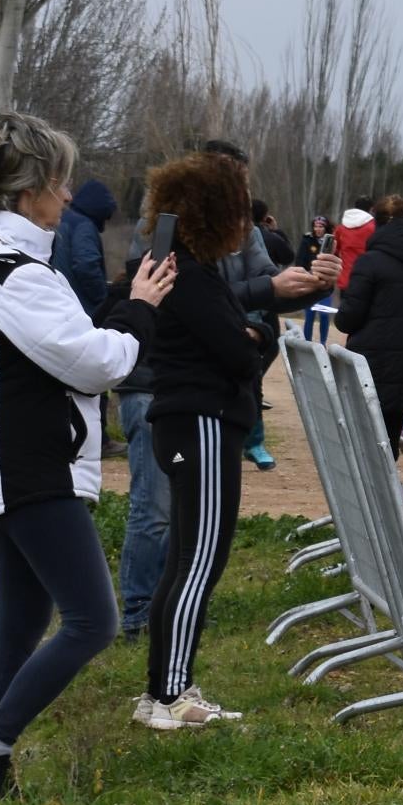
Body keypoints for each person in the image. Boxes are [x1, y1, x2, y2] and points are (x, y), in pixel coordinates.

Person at [0, 113, 172, 798]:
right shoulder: (17, 274)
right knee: (93, 620)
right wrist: (139, 310)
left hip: (14, 465)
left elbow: (62, 343)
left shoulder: (4, 265)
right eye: (62, 181)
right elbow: (93, 364)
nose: (69, 193)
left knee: (20, 627)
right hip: (34, 469)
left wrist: (120, 300)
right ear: (34, 191)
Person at [110, 150, 330, 637]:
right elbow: (231, 328)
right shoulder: (175, 255)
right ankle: (141, 624)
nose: (245, 214)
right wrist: (254, 329)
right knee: (160, 518)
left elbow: (254, 291)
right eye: (237, 193)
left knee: (186, 545)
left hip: (185, 398)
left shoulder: (201, 258)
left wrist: (306, 288)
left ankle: (159, 640)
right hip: (168, 395)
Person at [123, 151, 269, 729]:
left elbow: (239, 341)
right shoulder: (188, 274)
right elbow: (237, 353)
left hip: (188, 423)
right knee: (198, 563)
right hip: (202, 426)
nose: (246, 224)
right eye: (238, 211)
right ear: (215, 213)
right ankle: (171, 693)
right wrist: (252, 340)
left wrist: (247, 337)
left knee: (183, 563)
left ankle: (163, 690)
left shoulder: (184, 268)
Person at [335, 194, 403, 491]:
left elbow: (348, 319)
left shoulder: (370, 262)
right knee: (389, 438)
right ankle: (386, 505)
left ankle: (370, 508)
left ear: (377, 224)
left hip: (374, 364)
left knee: (364, 439)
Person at [51, 176, 115, 308]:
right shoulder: (84, 226)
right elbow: (86, 266)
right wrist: (103, 300)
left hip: (60, 299)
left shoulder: (62, 220)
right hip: (80, 306)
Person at [298, 213, 338, 342]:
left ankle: (322, 343)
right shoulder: (307, 240)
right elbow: (299, 262)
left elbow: (336, 262)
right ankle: (307, 343)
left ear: (326, 228)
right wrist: (307, 273)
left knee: (324, 315)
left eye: (321, 226)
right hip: (309, 284)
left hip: (325, 285)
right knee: (309, 315)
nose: (318, 229)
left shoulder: (332, 242)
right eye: (316, 226)